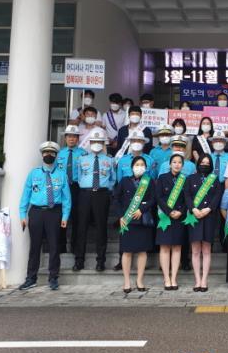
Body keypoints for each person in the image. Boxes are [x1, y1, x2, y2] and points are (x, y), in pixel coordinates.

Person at [18, 141, 71, 291]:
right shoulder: (33, 174)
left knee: (54, 246)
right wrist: (22, 214)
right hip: (36, 212)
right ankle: (31, 278)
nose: (49, 155)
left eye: (52, 153)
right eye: (46, 152)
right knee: (35, 247)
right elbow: (25, 195)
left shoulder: (61, 175)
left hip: (54, 213)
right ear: (42, 155)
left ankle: (53, 278)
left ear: (56, 155)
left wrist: (65, 217)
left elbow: (67, 198)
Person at [74, 128, 116, 272]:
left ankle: (101, 261)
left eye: (99, 141)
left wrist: (105, 190)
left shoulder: (109, 159)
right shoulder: (82, 158)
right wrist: (86, 186)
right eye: (94, 141)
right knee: (81, 228)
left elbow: (113, 179)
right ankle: (79, 260)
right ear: (90, 142)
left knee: (101, 228)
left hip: (102, 195)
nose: (96, 144)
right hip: (85, 194)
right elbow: (79, 176)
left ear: (103, 143)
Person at [113, 156, 155, 293]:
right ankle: (126, 281)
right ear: (132, 167)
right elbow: (116, 198)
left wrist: (142, 209)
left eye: (142, 164)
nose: (139, 167)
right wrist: (121, 216)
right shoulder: (124, 181)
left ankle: (139, 280)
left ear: (146, 167)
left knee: (142, 251)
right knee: (127, 251)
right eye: (137, 164)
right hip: (127, 220)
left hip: (142, 220)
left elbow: (153, 199)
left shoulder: (149, 181)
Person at [184, 154, 223, 292]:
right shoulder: (190, 178)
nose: (204, 165)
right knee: (195, 250)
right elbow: (187, 195)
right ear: (198, 163)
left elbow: (217, 196)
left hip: (209, 216)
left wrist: (208, 209)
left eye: (207, 163)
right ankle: (197, 280)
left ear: (211, 165)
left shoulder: (215, 179)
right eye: (202, 162)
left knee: (206, 250)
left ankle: (204, 280)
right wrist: (193, 209)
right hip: (194, 216)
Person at [156, 153, 189, 290]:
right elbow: (159, 197)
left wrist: (180, 211)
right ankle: (166, 278)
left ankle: (174, 278)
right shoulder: (162, 178)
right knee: (164, 247)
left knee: (177, 248)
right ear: (169, 164)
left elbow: (187, 198)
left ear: (182, 165)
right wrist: (169, 211)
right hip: (165, 217)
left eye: (179, 162)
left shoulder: (185, 179)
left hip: (179, 217)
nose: (177, 164)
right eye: (174, 162)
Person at [56, 125, 86, 254]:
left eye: (74, 136)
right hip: (62, 188)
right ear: (65, 138)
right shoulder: (59, 154)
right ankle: (61, 246)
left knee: (76, 217)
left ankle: (75, 247)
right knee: (61, 216)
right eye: (69, 136)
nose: (71, 139)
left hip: (76, 187)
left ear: (78, 138)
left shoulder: (83, 153)